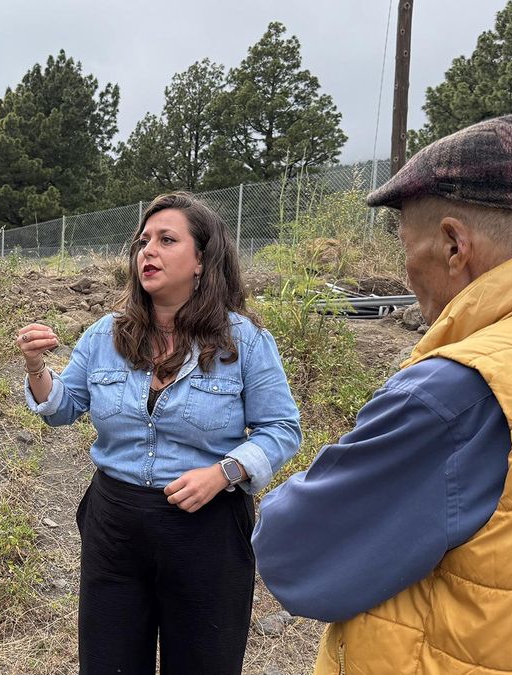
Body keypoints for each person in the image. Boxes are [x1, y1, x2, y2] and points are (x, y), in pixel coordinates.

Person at [253, 115, 512, 674]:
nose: (406, 272)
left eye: (408, 246)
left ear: (455, 244)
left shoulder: (460, 391)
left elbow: (296, 555)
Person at [17, 192, 301, 674]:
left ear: (201, 261)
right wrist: (36, 367)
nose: (148, 250)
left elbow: (281, 428)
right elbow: (62, 409)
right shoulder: (105, 335)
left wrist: (225, 472)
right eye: (143, 241)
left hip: (206, 528)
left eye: (167, 240)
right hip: (115, 526)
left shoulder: (244, 341)